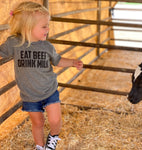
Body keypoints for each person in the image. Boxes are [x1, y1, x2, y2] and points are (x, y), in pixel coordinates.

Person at [0, 1, 83, 150]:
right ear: (28, 27)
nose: (48, 29)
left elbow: (57, 61)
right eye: (44, 26)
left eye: (48, 25)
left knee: (55, 120)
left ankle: (54, 136)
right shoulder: (15, 43)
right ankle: (40, 146)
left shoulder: (47, 46)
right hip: (29, 95)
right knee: (37, 123)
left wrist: (72, 62)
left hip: (49, 90)